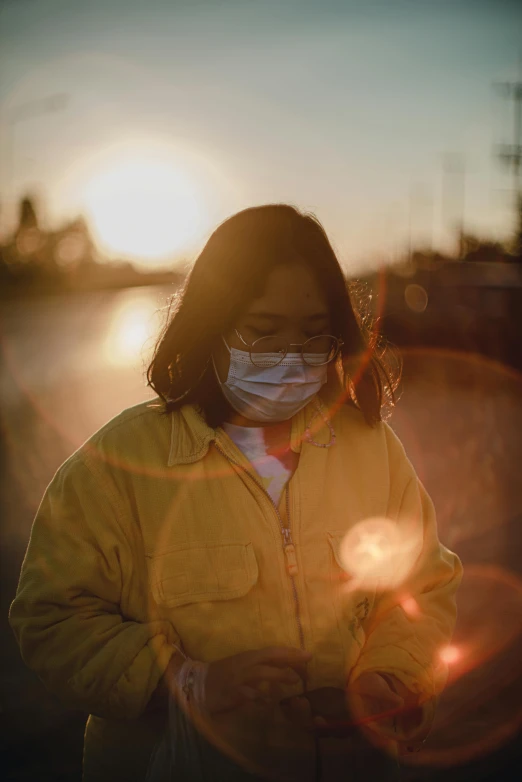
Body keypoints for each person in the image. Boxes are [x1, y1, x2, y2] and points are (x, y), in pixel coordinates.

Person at [9, 204, 462, 782]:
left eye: (311, 332)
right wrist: (186, 680)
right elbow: (50, 619)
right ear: (212, 324)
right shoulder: (116, 465)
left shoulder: (370, 448)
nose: (290, 354)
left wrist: (391, 678)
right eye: (263, 329)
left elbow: (423, 585)